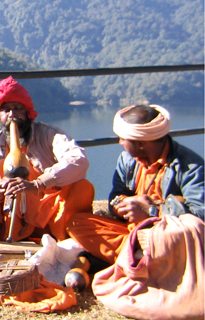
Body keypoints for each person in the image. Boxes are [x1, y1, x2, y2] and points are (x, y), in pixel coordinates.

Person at [67, 104, 204, 264]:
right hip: (132, 231)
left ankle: (132, 257)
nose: (120, 142)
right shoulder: (127, 159)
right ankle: (143, 257)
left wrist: (152, 210)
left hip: (166, 233)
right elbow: (115, 196)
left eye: (123, 138)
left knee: (180, 238)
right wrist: (124, 204)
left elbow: (200, 215)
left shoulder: (190, 166)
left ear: (141, 143)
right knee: (77, 223)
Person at [0, 76, 94, 242]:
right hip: (18, 222)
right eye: (6, 110)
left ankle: (64, 239)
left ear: (27, 112)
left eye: (18, 109)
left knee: (82, 187)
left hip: (52, 212)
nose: (12, 115)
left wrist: (37, 184)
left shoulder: (49, 134)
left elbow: (78, 160)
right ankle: (15, 236)